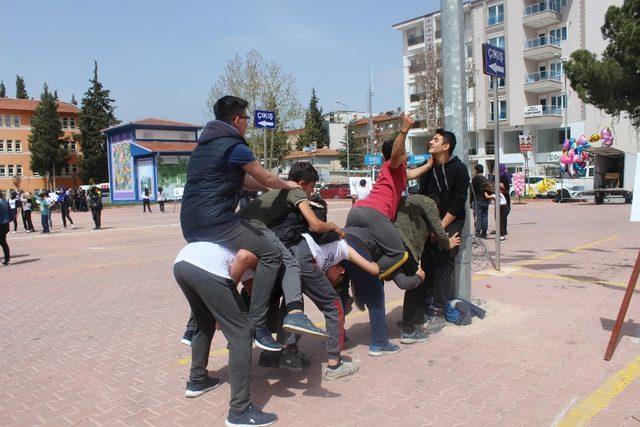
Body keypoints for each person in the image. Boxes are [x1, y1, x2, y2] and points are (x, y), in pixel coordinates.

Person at [180, 95, 305, 352]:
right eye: (246, 118)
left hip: (190, 224)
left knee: (242, 257)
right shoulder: (234, 146)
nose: (248, 123)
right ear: (237, 120)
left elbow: (245, 181)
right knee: (270, 253)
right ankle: (258, 325)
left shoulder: (203, 146)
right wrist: (287, 185)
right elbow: (267, 177)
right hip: (216, 222)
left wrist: (268, 185)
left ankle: (194, 325)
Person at [173, 243, 278, 427]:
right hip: (206, 267)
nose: (252, 292)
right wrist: (223, 309)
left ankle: (198, 380)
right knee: (242, 332)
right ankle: (240, 411)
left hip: (183, 262)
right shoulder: (262, 259)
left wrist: (219, 310)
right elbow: (244, 257)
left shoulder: (236, 241)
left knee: (204, 322)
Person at [238, 162, 341, 340]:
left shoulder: (277, 190)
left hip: (238, 227)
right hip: (252, 228)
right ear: (301, 184)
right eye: (312, 187)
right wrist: (333, 226)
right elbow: (315, 225)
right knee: (291, 264)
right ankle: (295, 314)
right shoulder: (296, 192)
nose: (312, 192)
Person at [346, 113, 433, 280]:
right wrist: (404, 130)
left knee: (360, 251)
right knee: (398, 254)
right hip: (374, 214)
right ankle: (368, 279)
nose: (406, 155)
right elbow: (395, 156)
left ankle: (351, 282)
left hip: (357, 211)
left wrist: (429, 165)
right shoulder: (392, 165)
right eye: (404, 152)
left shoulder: (398, 173)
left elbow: (412, 173)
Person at [418, 128, 470, 333]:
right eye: (432, 139)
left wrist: (439, 228)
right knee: (426, 263)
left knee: (443, 263)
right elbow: (422, 198)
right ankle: (422, 308)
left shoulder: (459, 169)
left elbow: (458, 203)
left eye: (436, 140)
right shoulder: (428, 168)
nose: (431, 142)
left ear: (446, 146)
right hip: (430, 225)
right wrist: (429, 227)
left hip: (451, 223)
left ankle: (439, 311)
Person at [471, 164, 490, 239]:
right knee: (485, 216)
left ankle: (478, 233)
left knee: (478, 217)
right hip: (485, 200)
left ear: (476, 170)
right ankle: (484, 233)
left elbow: (472, 191)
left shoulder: (475, 179)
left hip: (477, 200)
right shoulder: (486, 179)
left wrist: (470, 201)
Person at [0, 192, 11, 265]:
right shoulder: (4, 201)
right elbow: (10, 212)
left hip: (1, 223)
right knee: (3, 242)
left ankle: (7, 260)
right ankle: (7, 259)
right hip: (5, 223)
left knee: (3, 242)